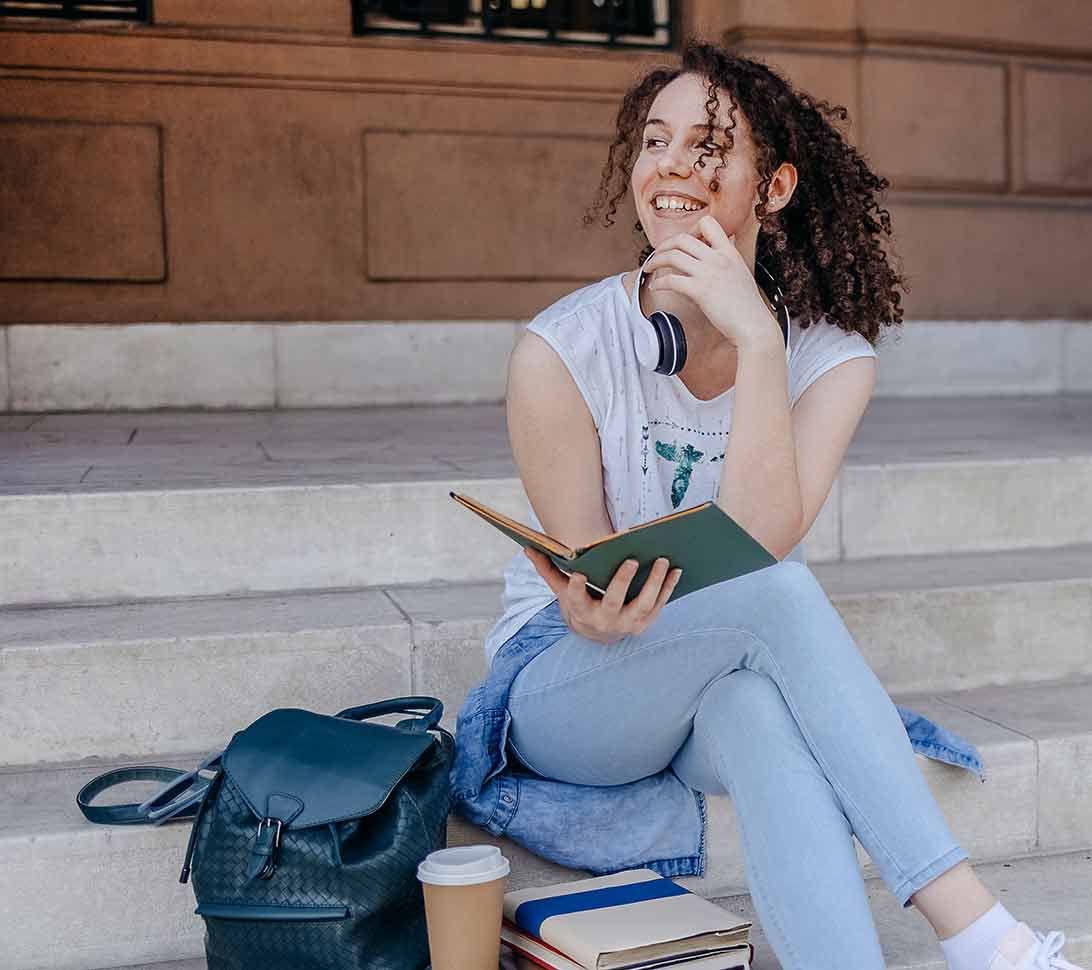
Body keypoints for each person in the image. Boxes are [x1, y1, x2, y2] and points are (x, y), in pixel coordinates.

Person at [449, 39, 1085, 970]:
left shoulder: (830, 360)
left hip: (713, 684)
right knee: (782, 598)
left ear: (773, 188)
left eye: (706, 147)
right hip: (573, 685)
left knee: (756, 700)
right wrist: (590, 605)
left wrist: (757, 343)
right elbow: (615, 579)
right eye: (654, 141)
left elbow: (757, 538)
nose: (669, 167)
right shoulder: (562, 350)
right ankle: (983, 933)